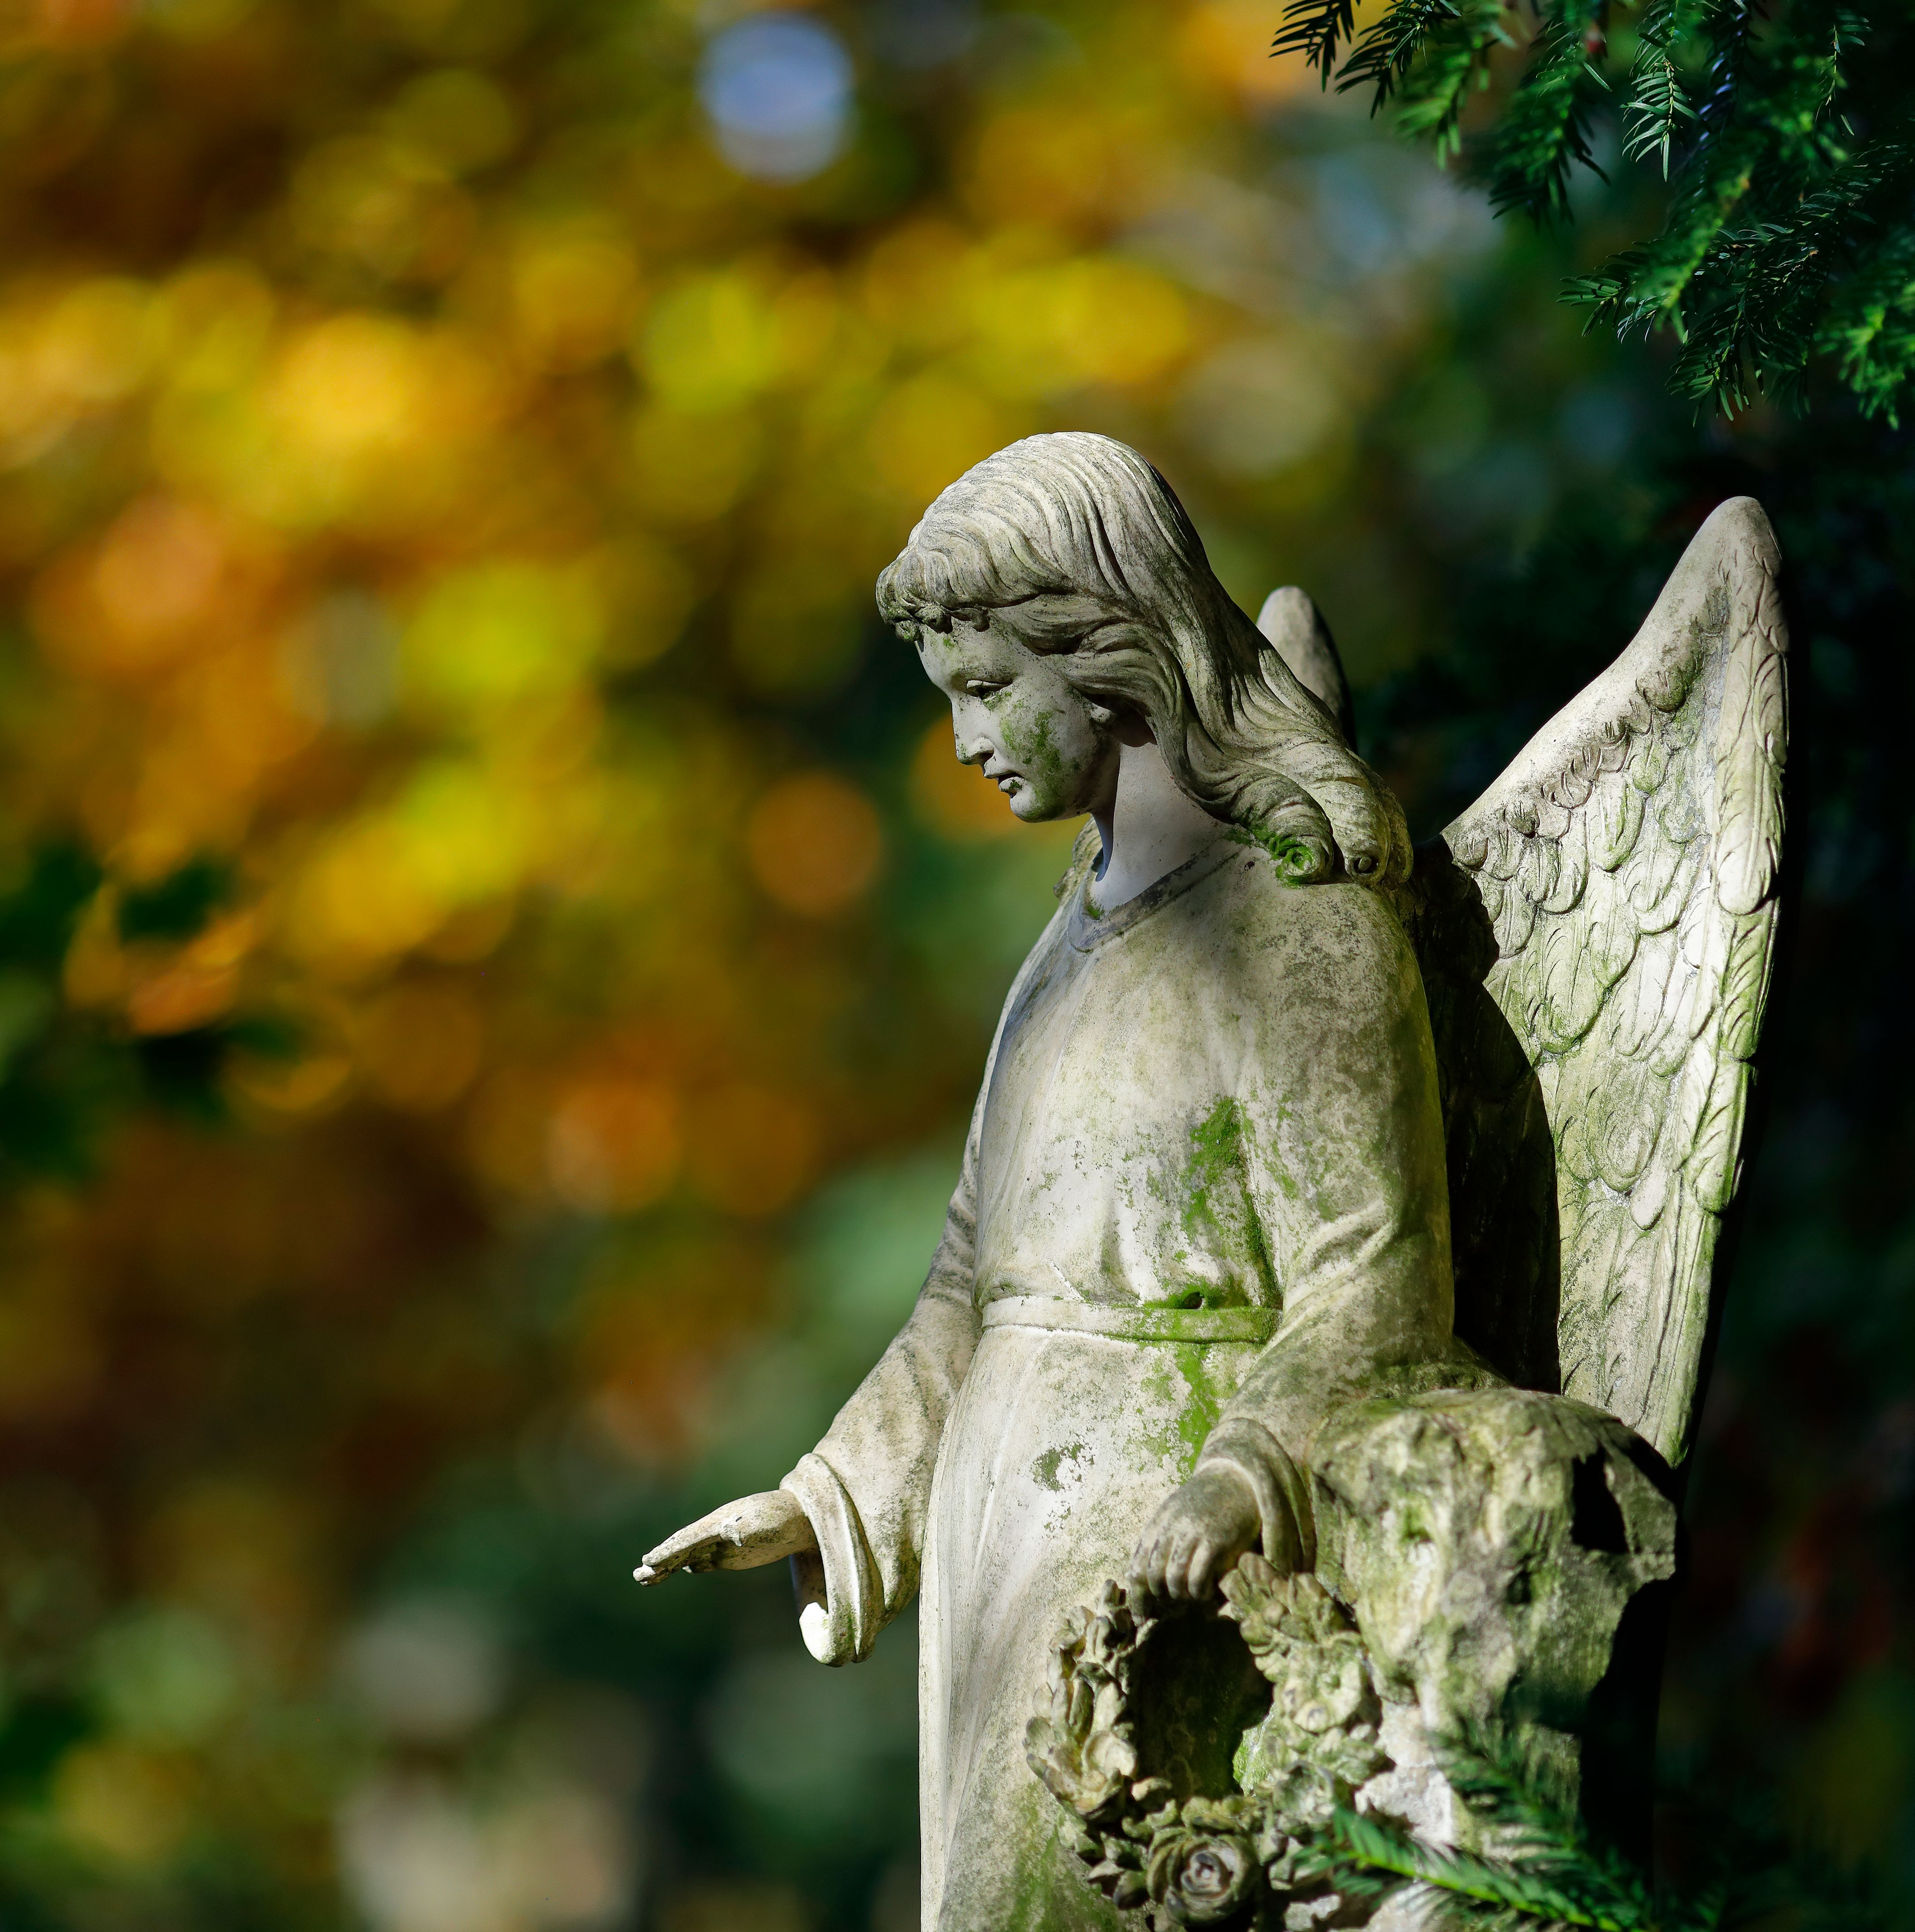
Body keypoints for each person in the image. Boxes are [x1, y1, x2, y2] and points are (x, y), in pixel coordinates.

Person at [635, 432, 1487, 1931]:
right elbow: (974, 1280)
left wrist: (1236, 1479)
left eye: (986, 688)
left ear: (1110, 650)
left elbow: (1380, 1276)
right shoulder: (1068, 941)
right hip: (994, 1541)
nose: (962, 740)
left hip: (1159, 1555)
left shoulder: (1297, 930)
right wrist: (829, 1491)